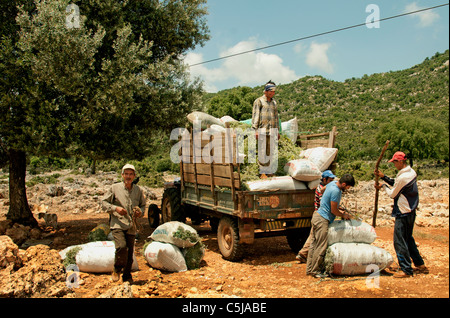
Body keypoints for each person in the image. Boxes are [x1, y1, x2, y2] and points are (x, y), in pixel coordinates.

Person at [374, 151, 428, 278]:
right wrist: (384, 177)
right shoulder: (411, 172)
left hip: (403, 211)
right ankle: (420, 264)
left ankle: (406, 269)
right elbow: (397, 184)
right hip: (411, 211)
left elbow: (393, 193)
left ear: (400, 161)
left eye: (394, 162)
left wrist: (383, 187)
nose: (394, 165)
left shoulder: (403, 177)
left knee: (399, 241)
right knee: (408, 238)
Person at [102, 164, 146, 282]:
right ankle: (117, 269)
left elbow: (142, 206)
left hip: (131, 225)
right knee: (121, 247)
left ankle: (127, 276)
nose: (128, 176)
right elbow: (104, 203)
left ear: (134, 176)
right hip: (117, 224)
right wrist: (116, 209)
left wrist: (140, 212)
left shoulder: (138, 190)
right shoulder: (114, 188)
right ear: (122, 175)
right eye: (126, 174)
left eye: (131, 174)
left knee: (130, 252)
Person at [306, 173, 355, 278]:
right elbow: (333, 210)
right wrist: (343, 215)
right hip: (323, 220)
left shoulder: (332, 183)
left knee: (314, 244)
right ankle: (316, 271)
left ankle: (310, 269)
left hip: (317, 215)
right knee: (321, 246)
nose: (348, 188)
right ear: (344, 184)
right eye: (348, 186)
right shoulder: (336, 191)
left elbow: (322, 190)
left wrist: (327, 201)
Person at [296, 170, 336, 263]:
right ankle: (310, 258)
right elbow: (325, 204)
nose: (331, 182)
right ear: (325, 179)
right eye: (330, 180)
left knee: (313, 235)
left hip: (318, 215)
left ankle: (302, 254)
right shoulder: (321, 189)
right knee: (318, 238)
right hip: (321, 216)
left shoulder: (324, 187)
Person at [251, 80, 280, 177]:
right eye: (271, 91)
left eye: (274, 91)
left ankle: (269, 171)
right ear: (266, 91)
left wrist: (277, 131)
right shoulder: (259, 101)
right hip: (262, 130)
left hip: (272, 131)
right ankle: (262, 172)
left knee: (270, 152)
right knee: (262, 151)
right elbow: (256, 116)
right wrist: (255, 130)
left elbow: (276, 118)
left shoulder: (274, 103)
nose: (273, 93)